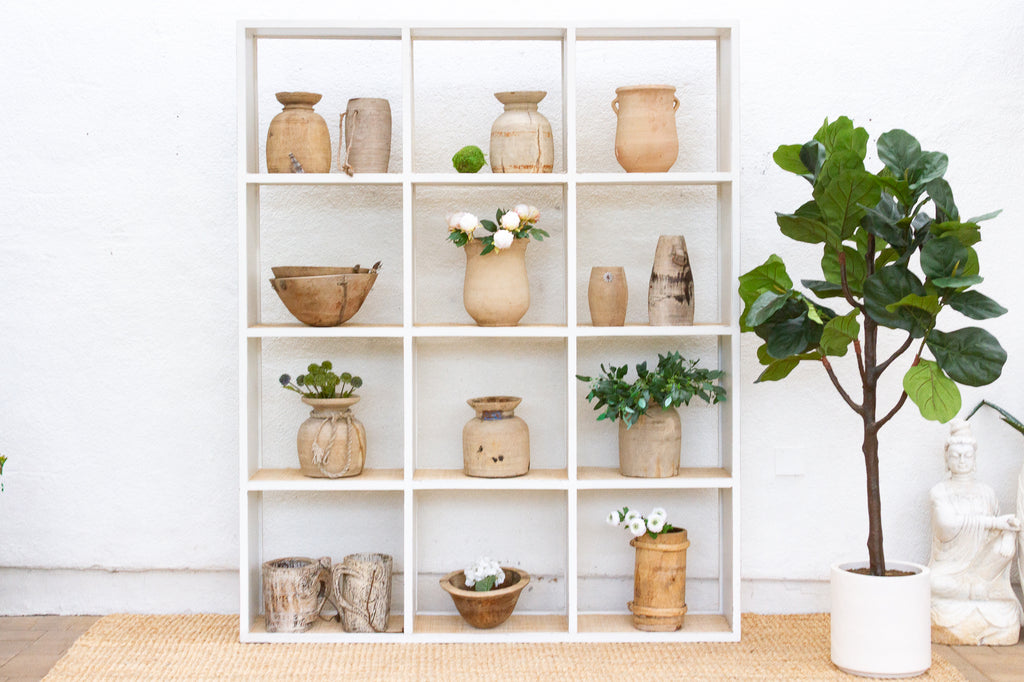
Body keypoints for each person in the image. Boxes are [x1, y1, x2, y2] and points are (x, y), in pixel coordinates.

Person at [929, 419, 1022, 645]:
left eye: (967, 455)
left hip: (983, 572)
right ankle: (977, 591)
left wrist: (1008, 534)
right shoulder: (940, 492)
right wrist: (994, 522)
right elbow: (946, 526)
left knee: (1004, 548)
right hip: (949, 571)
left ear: (975, 459)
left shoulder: (986, 493)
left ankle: (978, 589)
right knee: (930, 582)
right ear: (947, 459)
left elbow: (996, 534)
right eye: (956, 455)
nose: (962, 461)